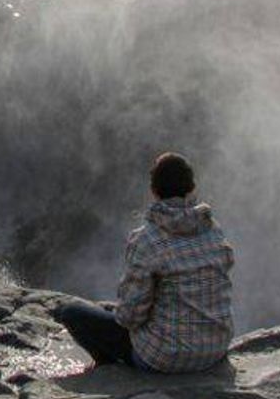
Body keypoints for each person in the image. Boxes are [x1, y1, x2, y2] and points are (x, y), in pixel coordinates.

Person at [55, 153, 234, 373]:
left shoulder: (148, 239)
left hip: (164, 358)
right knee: (105, 308)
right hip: (214, 351)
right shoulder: (212, 229)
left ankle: (110, 368)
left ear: (154, 190)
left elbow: (130, 316)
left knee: (72, 313)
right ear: (192, 187)